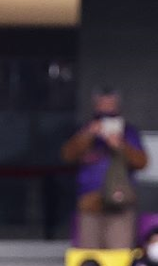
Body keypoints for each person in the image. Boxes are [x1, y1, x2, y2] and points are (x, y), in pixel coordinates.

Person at [63, 91, 149, 250]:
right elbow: (68, 156)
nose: (106, 110)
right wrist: (88, 134)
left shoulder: (129, 132)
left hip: (120, 201)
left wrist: (120, 145)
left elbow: (141, 162)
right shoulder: (85, 129)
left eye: (110, 105)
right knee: (89, 255)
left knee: (118, 255)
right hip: (89, 202)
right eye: (102, 105)